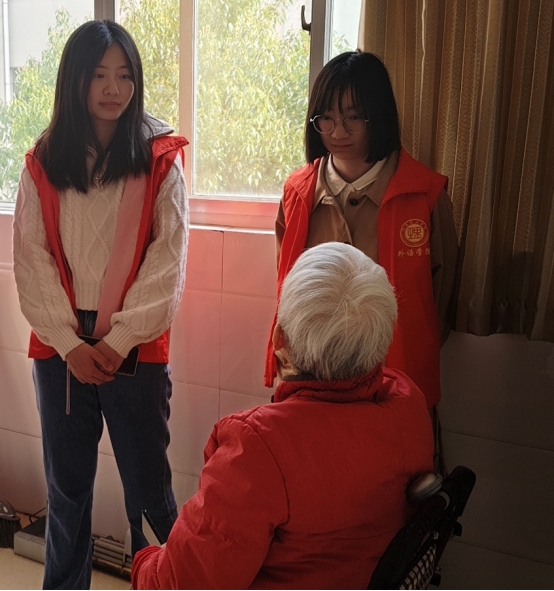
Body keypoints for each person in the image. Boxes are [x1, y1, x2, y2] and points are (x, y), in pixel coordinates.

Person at [131, 242, 434, 590]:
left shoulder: (258, 449)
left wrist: (145, 560)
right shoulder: (409, 402)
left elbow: (182, 585)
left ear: (280, 341)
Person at [12, 20, 188, 590]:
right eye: (99, 75)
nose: (114, 89)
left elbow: (168, 261)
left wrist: (117, 341)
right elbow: (31, 259)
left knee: (148, 491)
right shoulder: (44, 159)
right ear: (75, 80)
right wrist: (70, 344)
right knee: (66, 491)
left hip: (134, 345)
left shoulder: (161, 158)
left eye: (125, 75)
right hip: (60, 347)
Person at [264, 50, 458, 413]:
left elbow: (440, 301)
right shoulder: (297, 194)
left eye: (353, 117)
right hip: (311, 385)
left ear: (378, 116)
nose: (338, 132)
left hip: (396, 387)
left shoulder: (423, 195)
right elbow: (287, 294)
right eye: (326, 118)